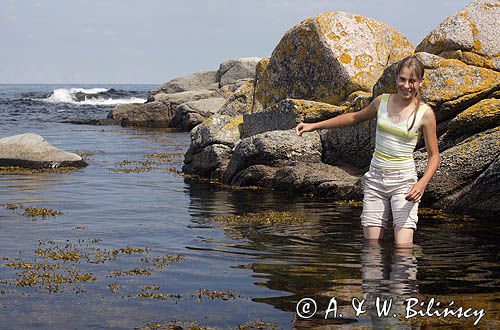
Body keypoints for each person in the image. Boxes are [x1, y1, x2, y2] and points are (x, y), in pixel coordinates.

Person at [296, 56, 439, 247]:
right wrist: (314, 125)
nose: (406, 85)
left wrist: (421, 184)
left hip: (404, 183)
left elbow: (434, 156)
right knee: (371, 247)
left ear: (420, 82)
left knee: (403, 248)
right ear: (396, 78)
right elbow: (354, 117)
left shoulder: (425, 113)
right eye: (402, 79)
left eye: (412, 81)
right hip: (375, 181)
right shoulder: (382, 102)